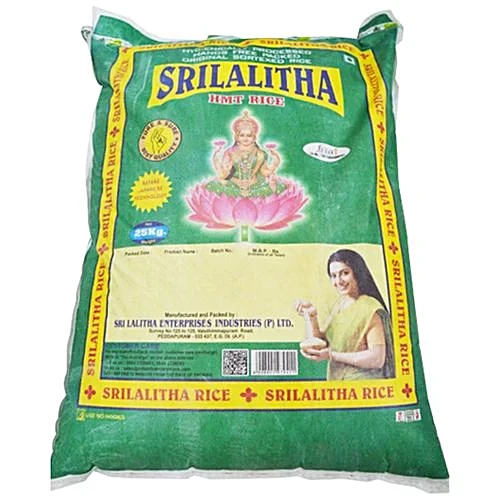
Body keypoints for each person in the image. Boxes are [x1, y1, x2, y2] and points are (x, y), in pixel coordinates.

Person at [295, 249, 395, 380]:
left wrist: (332, 356)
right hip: (338, 382)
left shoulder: (370, 308)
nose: (339, 281)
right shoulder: (341, 303)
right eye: (334, 276)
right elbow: (323, 342)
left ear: (357, 273)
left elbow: (377, 358)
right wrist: (311, 316)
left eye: (344, 273)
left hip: (363, 385)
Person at [205, 111, 286, 197]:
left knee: (275, 187)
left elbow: (265, 172)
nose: (245, 138)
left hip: (255, 185)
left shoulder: (261, 154)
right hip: (233, 184)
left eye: (249, 135)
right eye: (242, 135)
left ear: (254, 137)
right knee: (214, 187)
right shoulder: (230, 152)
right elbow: (224, 174)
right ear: (237, 137)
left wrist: (276, 161)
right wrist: (216, 157)